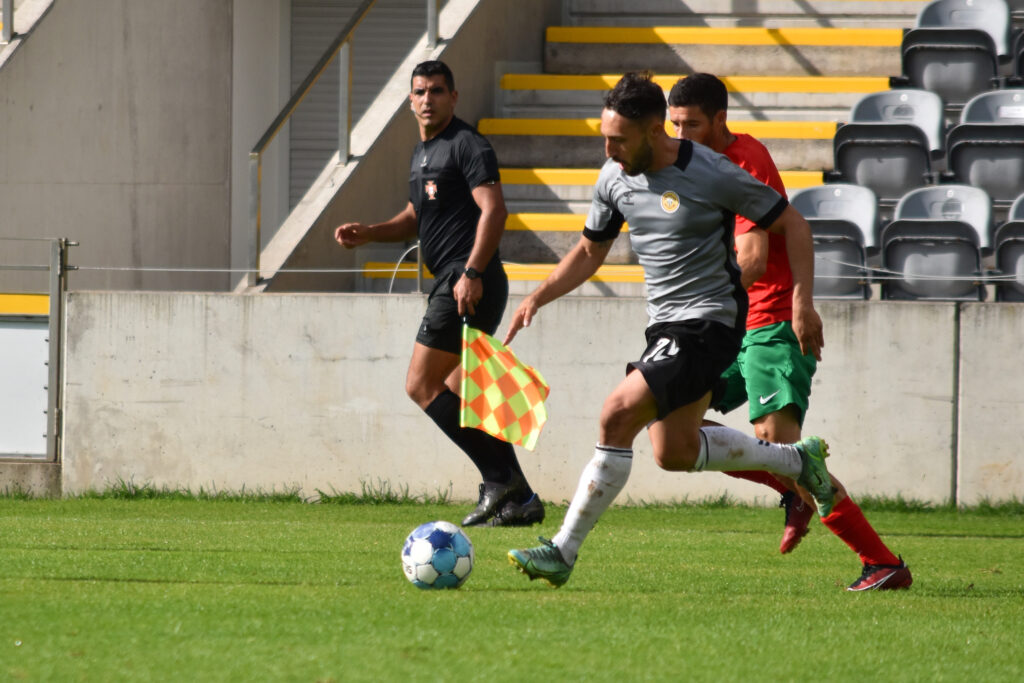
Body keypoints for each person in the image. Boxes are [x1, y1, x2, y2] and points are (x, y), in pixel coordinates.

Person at [505, 72, 836, 588]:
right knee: (673, 451)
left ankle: (562, 552)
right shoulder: (613, 177)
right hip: (664, 325)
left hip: (709, 321)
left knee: (616, 414)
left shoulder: (710, 170)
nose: (609, 149)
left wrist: (802, 303)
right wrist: (537, 296)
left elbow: (792, 224)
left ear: (654, 130)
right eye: (605, 137)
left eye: (619, 139)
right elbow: (590, 250)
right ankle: (796, 460)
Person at [667, 73, 911, 591]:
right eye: (674, 125)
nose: (681, 135)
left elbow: (754, 258)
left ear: (720, 119)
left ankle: (882, 562)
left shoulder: (744, 160)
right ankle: (790, 487)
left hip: (769, 320)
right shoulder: (688, 166)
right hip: (728, 324)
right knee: (673, 429)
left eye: (691, 124)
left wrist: (801, 304)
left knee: (780, 445)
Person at [334, 60, 543, 528]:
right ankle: (521, 499)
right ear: (410, 100)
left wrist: (471, 271)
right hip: (457, 280)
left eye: (436, 91)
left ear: (454, 96)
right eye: (420, 92)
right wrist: (370, 232)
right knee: (460, 391)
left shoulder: (467, 144)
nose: (427, 99)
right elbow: (416, 215)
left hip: (466, 281)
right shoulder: (422, 151)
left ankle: (501, 481)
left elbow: (495, 211)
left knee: (420, 385)